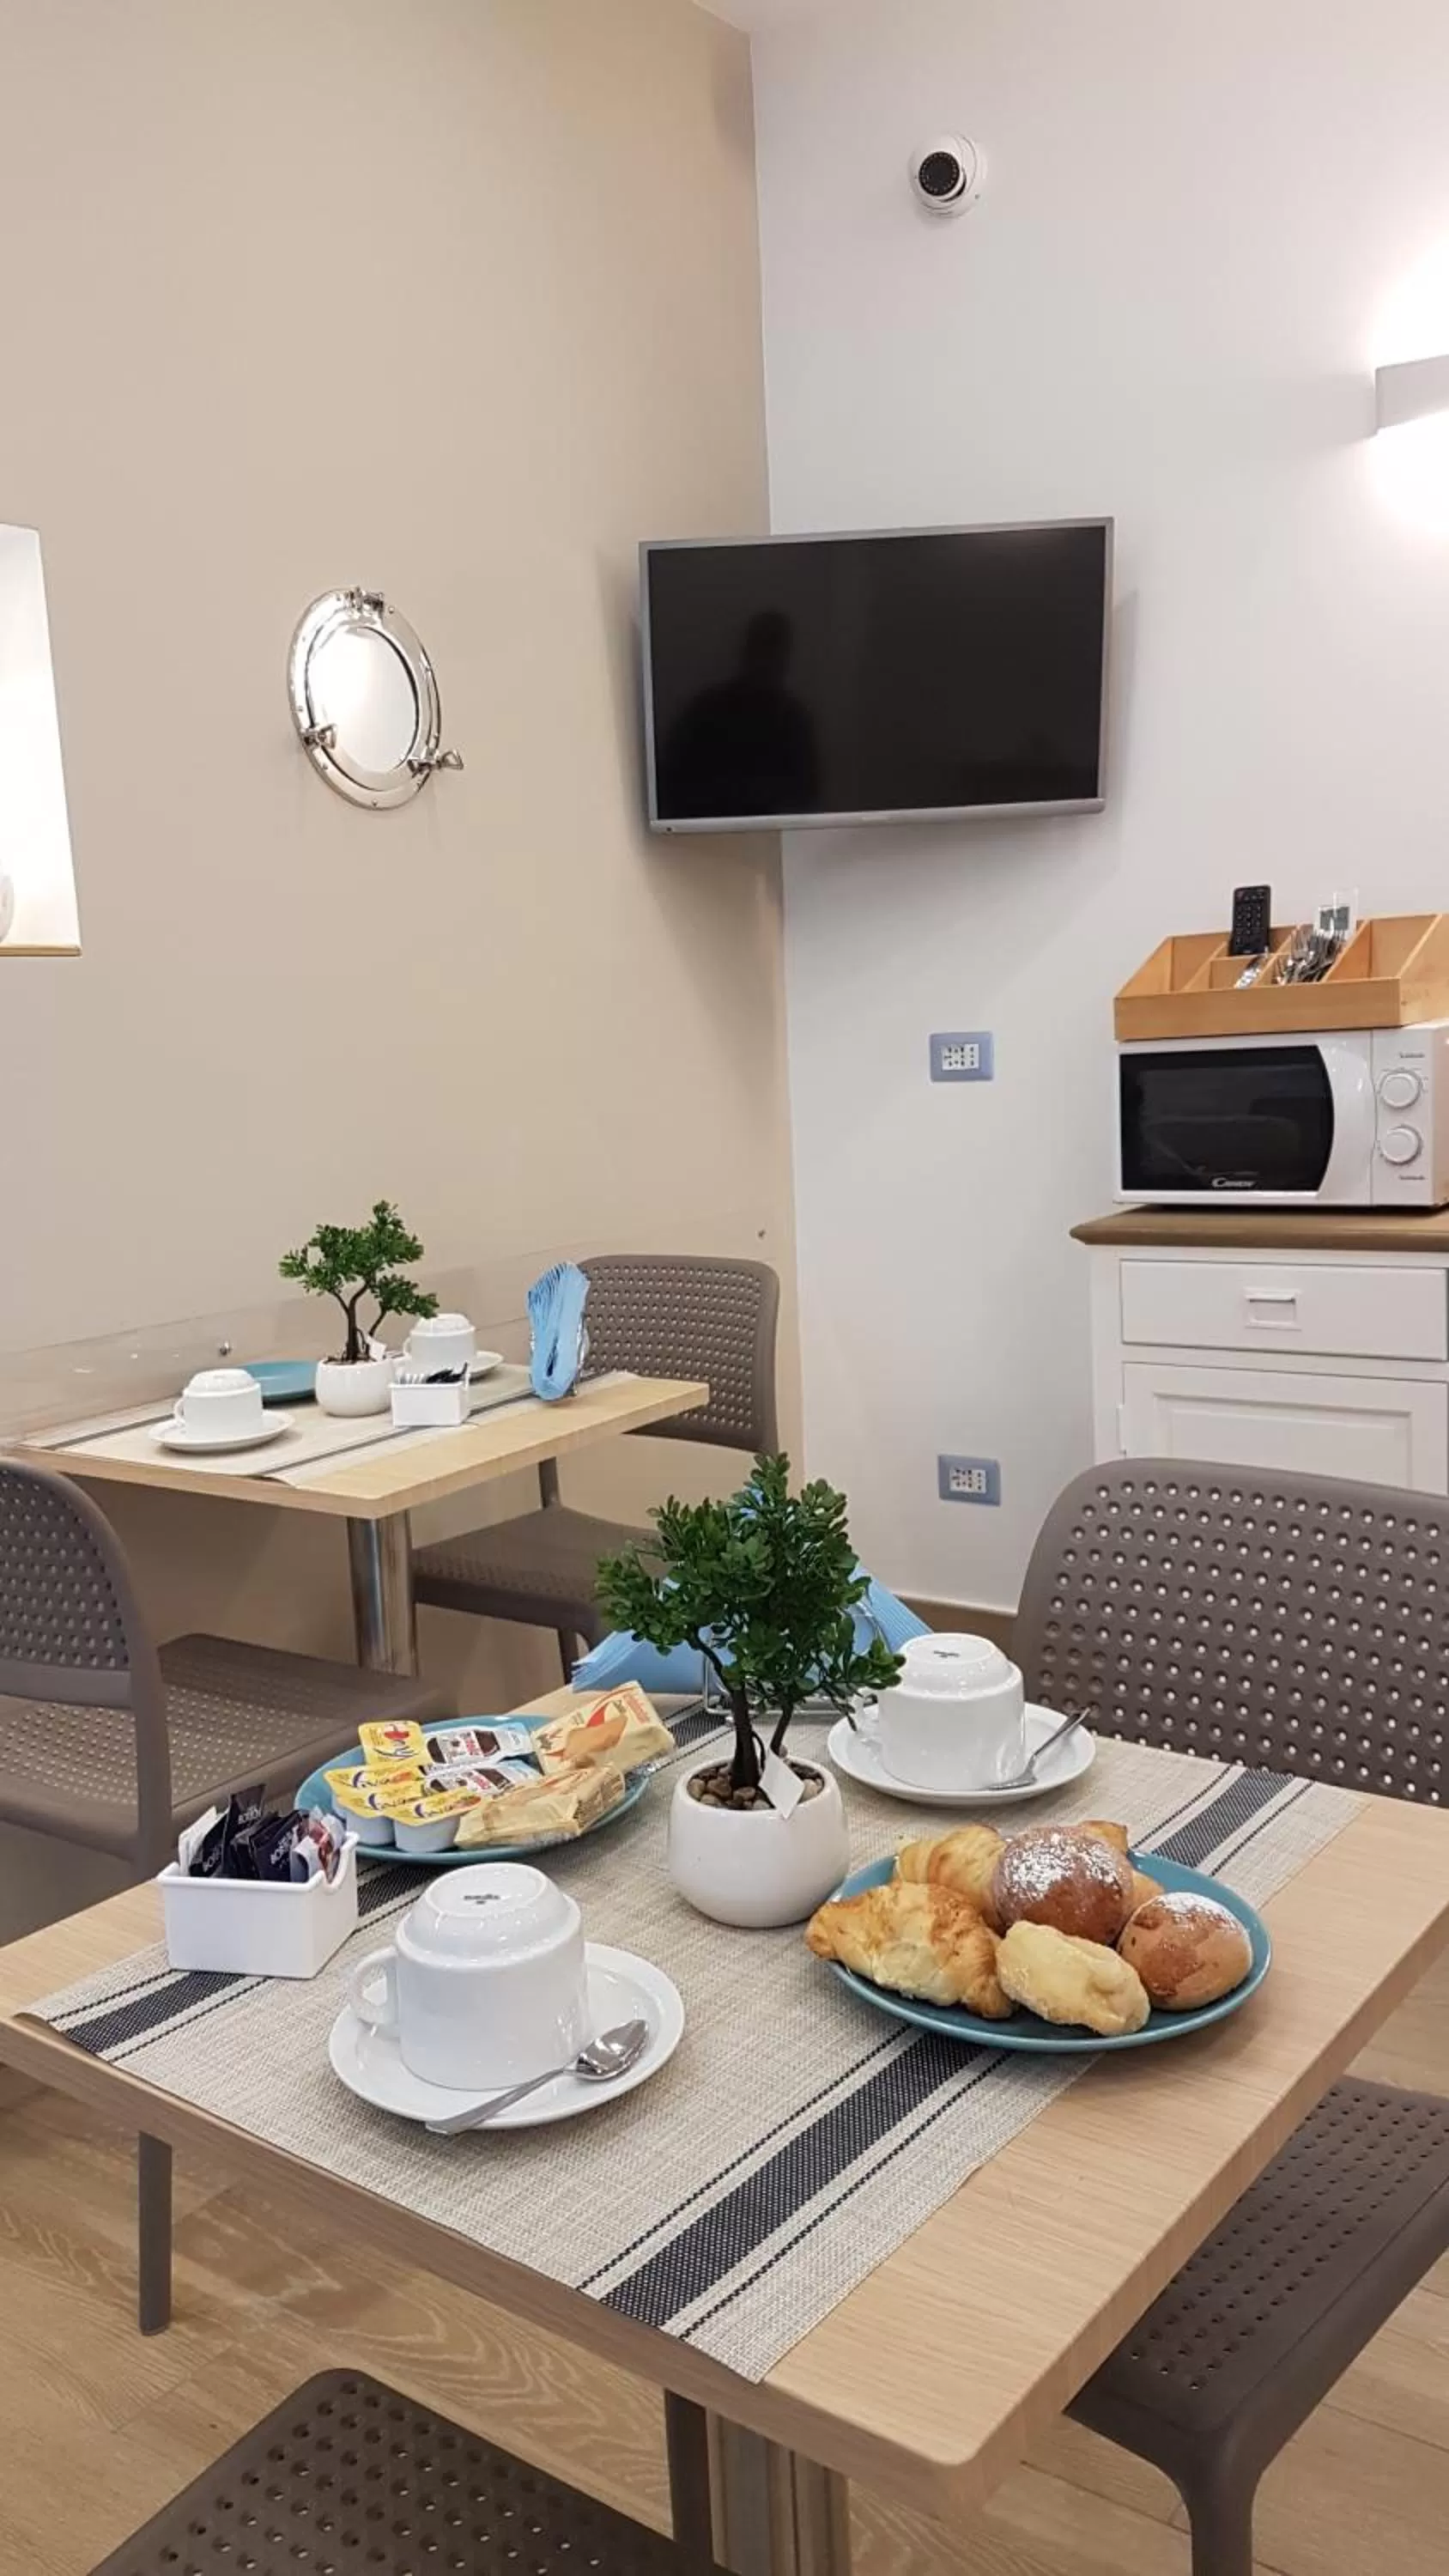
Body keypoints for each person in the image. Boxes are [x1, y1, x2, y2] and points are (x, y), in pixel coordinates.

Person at [660, 609, 820, 821]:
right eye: (762, 648)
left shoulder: (795, 720)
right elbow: (673, 780)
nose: (767, 660)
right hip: (706, 830)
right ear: (747, 651)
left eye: (775, 651)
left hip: (781, 832)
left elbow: (808, 793)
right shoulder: (706, 709)